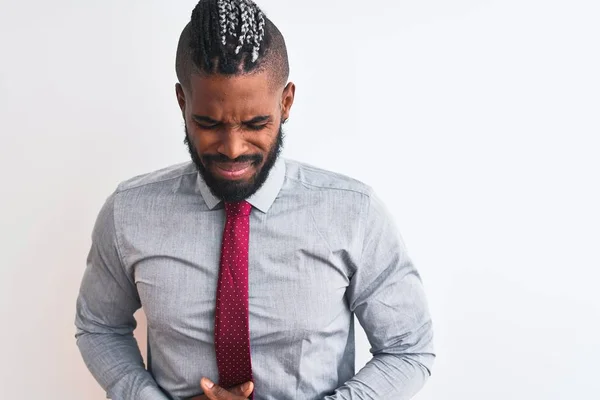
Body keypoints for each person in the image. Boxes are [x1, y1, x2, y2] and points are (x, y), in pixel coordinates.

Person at [74, 0, 435, 399]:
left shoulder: (354, 213)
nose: (232, 148)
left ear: (285, 103)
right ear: (182, 103)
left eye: (256, 123)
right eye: (208, 123)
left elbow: (408, 347)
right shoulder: (129, 212)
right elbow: (99, 326)